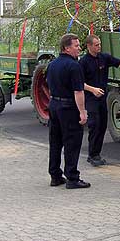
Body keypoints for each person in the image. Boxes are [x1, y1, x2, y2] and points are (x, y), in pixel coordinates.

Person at [79, 34, 120, 166]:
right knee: (95, 125)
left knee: (103, 125)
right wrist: (93, 89)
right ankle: (92, 155)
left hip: (102, 96)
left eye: (99, 44)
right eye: (96, 45)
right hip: (91, 98)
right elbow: (79, 83)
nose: (99, 47)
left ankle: (96, 153)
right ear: (89, 46)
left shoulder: (104, 57)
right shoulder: (83, 62)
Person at [46, 33, 90, 189]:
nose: (79, 48)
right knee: (72, 142)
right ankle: (72, 178)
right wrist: (83, 112)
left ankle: (55, 175)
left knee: (55, 141)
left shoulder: (51, 65)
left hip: (54, 105)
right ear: (66, 48)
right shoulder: (74, 66)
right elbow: (78, 92)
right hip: (68, 107)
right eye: (76, 46)